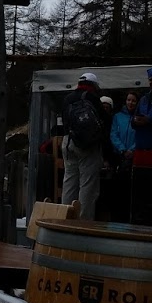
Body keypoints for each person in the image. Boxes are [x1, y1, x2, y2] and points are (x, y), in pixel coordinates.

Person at [60, 71, 107, 221]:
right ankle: (84, 222)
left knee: (69, 182)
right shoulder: (92, 97)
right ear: (93, 85)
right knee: (87, 186)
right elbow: (104, 120)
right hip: (88, 145)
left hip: (68, 142)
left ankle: (65, 219)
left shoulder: (67, 98)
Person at [111, 91, 138, 161]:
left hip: (135, 154)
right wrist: (122, 149)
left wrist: (132, 150)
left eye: (133, 101)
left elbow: (142, 136)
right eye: (128, 100)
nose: (130, 103)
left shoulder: (139, 117)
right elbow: (113, 134)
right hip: (119, 154)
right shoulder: (117, 116)